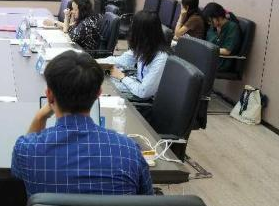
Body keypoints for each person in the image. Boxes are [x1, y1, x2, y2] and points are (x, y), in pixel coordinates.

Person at [11, 51, 152, 196]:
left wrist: (40, 117)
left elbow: (18, 174)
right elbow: (148, 202)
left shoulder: (27, 150)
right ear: (98, 94)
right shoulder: (129, 151)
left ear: (49, 95)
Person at [98, 10, 169, 100]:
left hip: (144, 98)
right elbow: (120, 60)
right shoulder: (144, 46)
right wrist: (91, 62)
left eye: (133, 29)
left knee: (101, 89)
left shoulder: (161, 58)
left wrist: (122, 77)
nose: (130, 32)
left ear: (142, 33)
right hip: (135, 85)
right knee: (99, 80)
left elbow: (143, 92)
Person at [202, 2, 241, 72]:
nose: (209, 23)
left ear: (218, 16)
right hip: (210, 57)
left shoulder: (232, 27)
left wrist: (207, 49)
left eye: (210, 20)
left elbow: (227, 51)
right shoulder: (213, 26)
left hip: (222, 61)